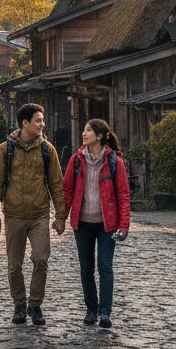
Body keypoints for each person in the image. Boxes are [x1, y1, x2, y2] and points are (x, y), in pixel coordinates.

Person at [0, 103, 66, 326]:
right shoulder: (6, 149)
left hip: (39, 214)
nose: (43, 124)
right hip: (13, 214)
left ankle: (35, 305)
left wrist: (60, 216)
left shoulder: (47, 150)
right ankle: (20, 305)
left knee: (41, 259)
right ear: (25, 123)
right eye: (38, 121)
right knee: (15, 265)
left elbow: (56, 184)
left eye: (42, 121)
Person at [62, 118, 131, 329]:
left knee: (105, 267)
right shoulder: (76, 161)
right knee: (86, 269)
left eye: (88, 130)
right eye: (84, 130)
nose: (84, 133)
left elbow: (123, 194)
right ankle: (91, 309)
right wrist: (60, 218)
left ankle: (105, 312)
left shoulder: (113, 162)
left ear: (100, 136)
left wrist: (124, 224)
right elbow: (67, 192)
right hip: (82, 223)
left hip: (106, 223)